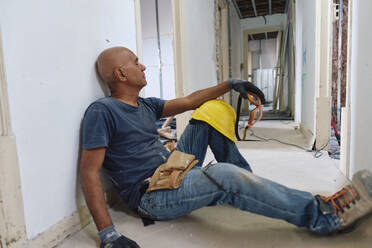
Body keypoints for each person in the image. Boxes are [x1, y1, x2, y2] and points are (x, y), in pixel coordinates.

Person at [80, 46, 372, 248]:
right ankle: (322, 216)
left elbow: (192, 100)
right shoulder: (102, 111)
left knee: (209, 113)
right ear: (120, 74)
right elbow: (89, 173)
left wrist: (230, 84)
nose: (142, 65)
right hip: (152, 195)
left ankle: (245, 180)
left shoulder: (145, 105)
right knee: (222, 174)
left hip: (171, 169)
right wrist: (108, 234)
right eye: (135, 61)